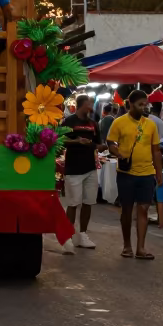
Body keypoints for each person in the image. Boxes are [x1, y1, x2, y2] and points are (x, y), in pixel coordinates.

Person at [107, 90, 162, 260]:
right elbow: (110, 143)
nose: (144, 108)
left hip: (146, 173)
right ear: (130, 104)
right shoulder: (119, 122)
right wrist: (118, 153)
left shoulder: (151, 124)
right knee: (127, 210)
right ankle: (127, 246)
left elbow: (156, 150)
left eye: (146, 104)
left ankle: (141, 248)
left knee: (144, 209)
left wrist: (159, 173)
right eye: (140, 105)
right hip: (126, 173)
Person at [60, 94, 100, 253]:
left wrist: (100, 147)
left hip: (90, 167)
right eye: (89, 104)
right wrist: (77, 141)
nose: (91, 107)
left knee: (88, 202)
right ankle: (68, 237)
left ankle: (82, 234)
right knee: (73, 203)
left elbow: (99, 143)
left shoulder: (94, 124)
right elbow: (60, 140)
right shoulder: (69, 122)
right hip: (73, 168)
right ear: (82, 105)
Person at [147, 101, 163, 226]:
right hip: (155, 153)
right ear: (161, 110)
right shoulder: (159, 122)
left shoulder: (146, 119)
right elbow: (161, 140)